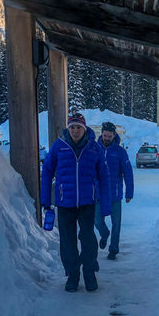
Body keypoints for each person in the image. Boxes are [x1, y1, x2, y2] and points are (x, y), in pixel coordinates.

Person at [41, 113, 111, 292]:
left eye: (78, 127)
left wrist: (106, 204)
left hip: (87, 202)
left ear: (85, 128)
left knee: (88, 239)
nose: (75, 131)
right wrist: (46, 201)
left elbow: (104, 177)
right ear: (68, 129)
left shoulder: (94, 148)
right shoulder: (59, 146)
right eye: (72, 127)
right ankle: (72, 275)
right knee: (68, 241)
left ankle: (89, 273)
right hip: (65, 203)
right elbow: (47, 172)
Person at [95, 121, 134, 260]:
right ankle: (104, 234)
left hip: (115, 194)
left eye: (109, 136)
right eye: (105, 135)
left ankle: (113, 250)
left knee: (116, 224)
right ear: (102, 134)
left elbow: (128, 173)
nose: (107, 138)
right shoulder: (94, 149)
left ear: (114, 136)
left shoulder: (120, 152)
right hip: (99, 195)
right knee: (97, 221)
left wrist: (129, 193)